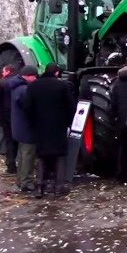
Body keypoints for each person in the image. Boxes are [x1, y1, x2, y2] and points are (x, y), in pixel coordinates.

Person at [24, 63, 75, 198]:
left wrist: (33, 122)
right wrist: (69, 122)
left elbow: (27, 106)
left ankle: (40, 186)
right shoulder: (62, 86)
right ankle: (58, 187)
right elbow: (71, 107)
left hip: (40, 126)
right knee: (59, 155)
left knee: (42, 155)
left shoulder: (33, 86)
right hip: (58, 126)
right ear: (57, 73)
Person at [9, 65, 39, 192]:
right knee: (28, 155)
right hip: (27, 128)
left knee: (22, 155)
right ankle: (27, 182)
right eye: (35, 76)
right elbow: (29, 109)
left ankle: (21, 179)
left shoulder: (16, 87)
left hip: (19, 127)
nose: (36, 79)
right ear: (29, 76)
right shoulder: (24, 90)